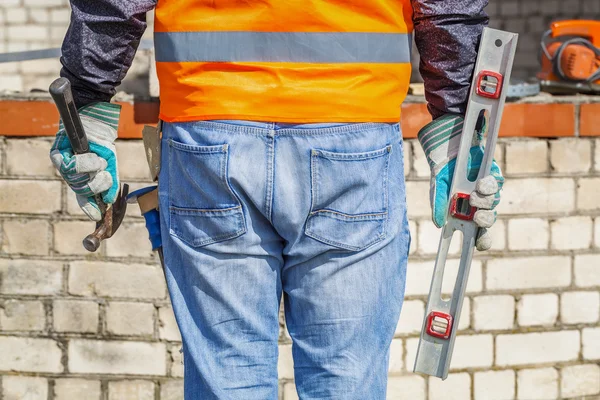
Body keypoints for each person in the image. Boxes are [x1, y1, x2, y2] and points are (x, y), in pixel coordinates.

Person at [50, 1, 503, 398]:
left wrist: (87, 97)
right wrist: (460, 120)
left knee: (228, 380)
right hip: (352, 130)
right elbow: (449, 8)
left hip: (208, 133)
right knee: (345, 383)